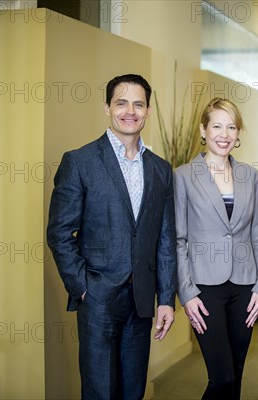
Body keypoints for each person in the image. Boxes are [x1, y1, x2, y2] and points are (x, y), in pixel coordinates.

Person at [46, 74, 177, 399]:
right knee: (100, 391)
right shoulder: (80, 161)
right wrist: (84, 288)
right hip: (99, 298)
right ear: (107, 107)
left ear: (147, 110)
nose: (130, 111)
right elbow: (60, 233)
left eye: (138, 103)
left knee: (133, 391)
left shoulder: (161, 168)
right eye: (121, 102)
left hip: (142, 301)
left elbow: (165, 240)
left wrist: (166, 299)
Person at [175, 97, 258, 400]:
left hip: (245, 286)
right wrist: (186, 292)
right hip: (204, 290)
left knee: (236, 377)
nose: (224, 134)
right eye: (217, 125)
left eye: (231, 127)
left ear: (238, 133)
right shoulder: (182, 176)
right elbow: (177, 239)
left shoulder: (249, 175)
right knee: (222, 378)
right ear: (203, 130)